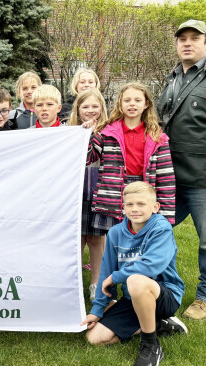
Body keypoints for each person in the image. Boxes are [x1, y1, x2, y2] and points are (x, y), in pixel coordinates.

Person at [82, 182, 187, 366]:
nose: (135, 209)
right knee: (95, 338)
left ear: (155, 207)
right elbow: (107, 270)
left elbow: (152, 266)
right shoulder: (115, 233)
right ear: (123, 207)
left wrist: (116, 278)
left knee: (136, 280)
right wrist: (97, 310)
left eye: (141, 204)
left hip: (164, 295)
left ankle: (151, 345)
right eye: (129, 204)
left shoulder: (161, 228)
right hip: (134, 299)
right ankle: (159, 323)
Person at [158, 19, 206, 320]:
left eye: (194, 38)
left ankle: (204, 297)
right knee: (157, 231)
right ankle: (165, 287)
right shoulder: (173, 78)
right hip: (170, 178)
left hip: (202, 178)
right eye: (182, 39)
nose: (187, 43)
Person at [87, 82, 175, 239]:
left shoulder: (158, 137)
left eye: (137, 100)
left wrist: (166, 217)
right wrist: (89, 135)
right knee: (115, 243)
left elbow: (166, 178)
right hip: (113, 194)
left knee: (139, 244)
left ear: (146, 103)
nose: (132, 104)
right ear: (120, 103)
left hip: (142, 192)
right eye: (127, 100)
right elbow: (88, 158)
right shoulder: (106, 133)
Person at [68, 88, 108, 301]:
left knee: (95, 238)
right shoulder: (70, 130)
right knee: (75, 239)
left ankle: (96, 283)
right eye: (85, 107)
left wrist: (94, 133)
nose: (90, 111)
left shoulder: (109, 131)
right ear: (78, 109)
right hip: (74, 190)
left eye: (95, 106)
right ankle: (70, 283)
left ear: (102, 108)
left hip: (99, 190)